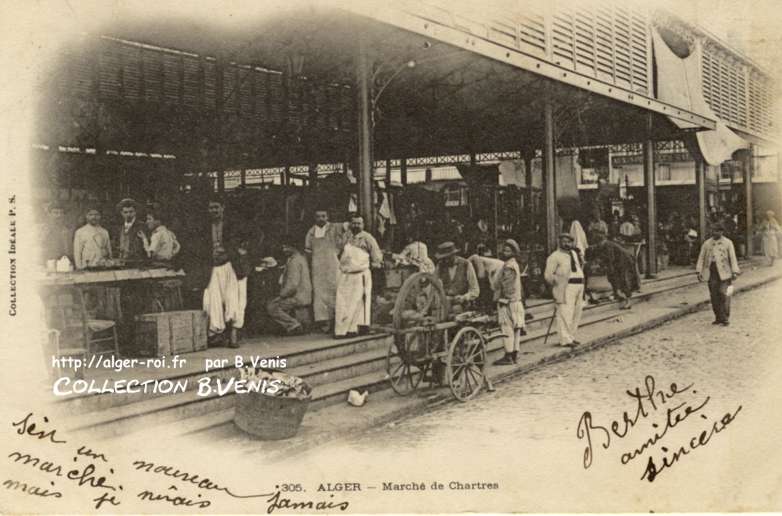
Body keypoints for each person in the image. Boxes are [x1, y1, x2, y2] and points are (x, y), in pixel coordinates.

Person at [334, 215, 383, 339]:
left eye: (359, 223)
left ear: (363, 225)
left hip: (360, 274)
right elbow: (339, 251)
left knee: (358, 303)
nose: (356, 226)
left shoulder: (368, 238)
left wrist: (374, 263)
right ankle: (343, 330)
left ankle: (356, 329)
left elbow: (376, 255)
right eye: (354, 223)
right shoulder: (346, 236)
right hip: (346, 275)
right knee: (344, 302)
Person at [304, 208, 346, 333]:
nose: (321, 219)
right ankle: (324, 323)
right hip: (317, 269)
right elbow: (308, 251)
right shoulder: (311, 233)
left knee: (335, 293)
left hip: (333, 267)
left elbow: (347, 228)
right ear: (315, 218)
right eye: (318, 216)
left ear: (328, 217)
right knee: (319, 296)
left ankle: (336, 321)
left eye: (323, 216)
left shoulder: (334, 228)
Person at [544, 233, 585, 347]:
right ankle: (565, 339)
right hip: (566, 287)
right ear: (559, 242)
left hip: (579, 286)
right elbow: (548, 275)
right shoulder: (554, 256)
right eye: (564, 241)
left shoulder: (573, 254)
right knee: (565, 312)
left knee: (577, 312)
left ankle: (571, 336)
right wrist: (559, 283)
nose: (566, 244)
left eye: (569, 241)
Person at [696, 222, 740, 326]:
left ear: (722, 232)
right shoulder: (707, 243)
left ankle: (725, 317)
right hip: (711, 271)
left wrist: (735, 271)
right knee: (714, 295)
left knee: (724, 293)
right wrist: (699, 271)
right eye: (712, 230)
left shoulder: (728, 243)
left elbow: (732, 258)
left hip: (725, 272)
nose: (714, 233)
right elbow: (701, 257)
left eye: (717, 231)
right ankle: (718, 317)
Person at [266, 239, 312, 336]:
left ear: (293, 247)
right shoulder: (301, 258)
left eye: (286, 247)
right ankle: (299, 324)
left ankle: (293, 325)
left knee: (272, 306)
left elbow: (292, 285)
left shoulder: (294, 262)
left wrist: (281, 295)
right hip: (304, 295)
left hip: (297, 297)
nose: (284, 249)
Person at [492, 239, 526, 365]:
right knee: (516, 328)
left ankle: (508, 355)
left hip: (508, 302)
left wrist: (501, 298)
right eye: (504, 250)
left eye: (508, 250)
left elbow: (507, 285)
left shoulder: (508, 267)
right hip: (516, 301)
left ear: (513, 252)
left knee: (507, 329)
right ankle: (515, 353)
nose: (505, 252)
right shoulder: (514, 264)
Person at [588, 234, 640, 309]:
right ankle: (618, 294)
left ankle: (628, 301)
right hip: (618, 262)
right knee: (612, 278)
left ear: (601, 241)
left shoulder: (607, 245)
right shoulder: (603, 246)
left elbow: (610, 260)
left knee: (623, 280)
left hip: (625, 261)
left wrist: (606, 268)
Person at [433, 241, 480, 314]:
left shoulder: (466, 264)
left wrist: (464, 297)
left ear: (454, 255)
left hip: (463, 304)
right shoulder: (440, 265)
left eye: (448, 258)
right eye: (443, 258)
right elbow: (433, 284)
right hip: (446, 303)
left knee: (456, 309)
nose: (446, 260)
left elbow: (475, 290)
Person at [468, 243, 504, 312]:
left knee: (495, 288)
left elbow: (481, 276)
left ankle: (493, 306)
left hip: (497, 268)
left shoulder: (475, 258)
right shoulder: (470, 262)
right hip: (495, 268)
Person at [113, 198, 145, 262]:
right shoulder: (119, 227)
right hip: (122, 260)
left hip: (137, 261)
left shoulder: (142, 226)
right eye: (125, 212)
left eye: (131, 212)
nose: (128, 215)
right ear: (121, 213)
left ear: (135, 212)